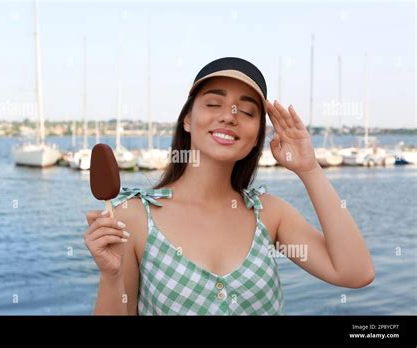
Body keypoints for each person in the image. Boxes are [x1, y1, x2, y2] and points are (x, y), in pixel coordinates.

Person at [84, 57, 375, 315]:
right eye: (213, 104)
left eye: (247, 112)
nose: (229, 115)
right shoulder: (132, 217)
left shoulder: (270, 214)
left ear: (258, 133)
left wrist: (310, 169)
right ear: (187, 119)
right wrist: (110, 277)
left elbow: (354, 272)